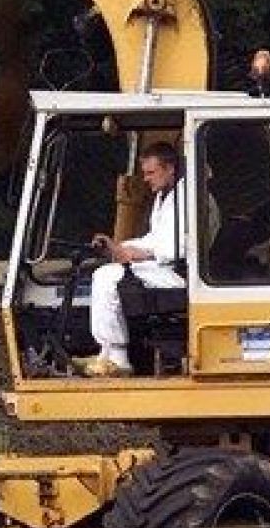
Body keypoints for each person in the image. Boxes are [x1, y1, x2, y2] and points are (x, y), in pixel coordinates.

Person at [72, 141, 205, 377]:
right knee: (108, 271)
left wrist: (136, 254)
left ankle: (117, 358)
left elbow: (182, 246)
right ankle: (106, 353)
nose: (146, 179)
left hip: (181, 274)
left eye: (151, 173)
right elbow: (155, 238)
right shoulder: (166, 196)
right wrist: (118, 247)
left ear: (170, 168)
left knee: (106, 277)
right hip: (166, 267)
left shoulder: (188, 197)